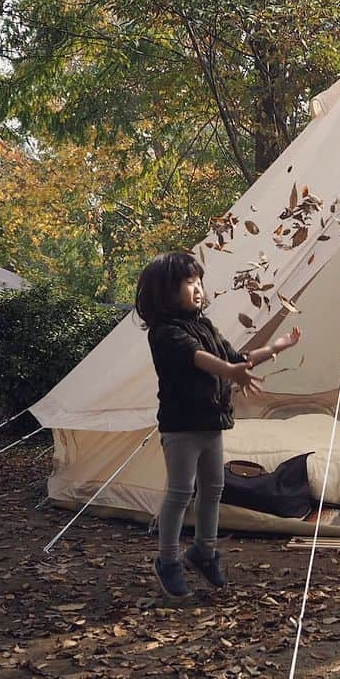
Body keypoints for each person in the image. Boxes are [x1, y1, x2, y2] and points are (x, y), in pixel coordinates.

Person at [135, 251, 302, 598]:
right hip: (181, 427)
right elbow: (200, 359)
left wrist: (277, 347)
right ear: (165, 291)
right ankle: (167, 561)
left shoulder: (204, 324)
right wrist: (230, 372)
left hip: (211, 422)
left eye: (198, 281)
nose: (197, 288)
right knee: (181, 492)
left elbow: (233, 357)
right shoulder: (164, 333)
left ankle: (204, 552)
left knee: (213, 488)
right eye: (187, 282)